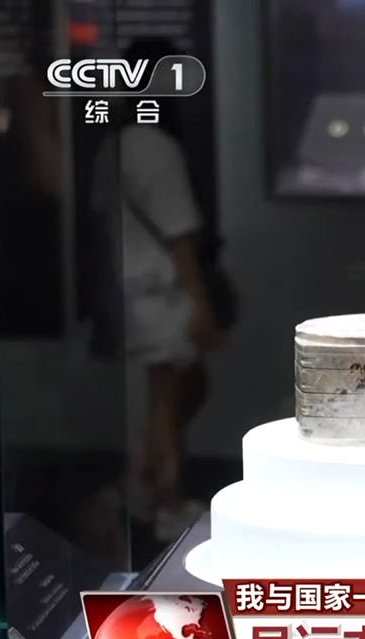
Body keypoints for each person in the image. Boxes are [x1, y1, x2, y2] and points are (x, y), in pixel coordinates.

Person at [91, 38, 231, 541]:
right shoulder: (156, 147)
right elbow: (180, 238)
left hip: (130, 295)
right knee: (166, 403)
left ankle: (142, 489)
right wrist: (201, 307)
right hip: (161, 297)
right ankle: (163, 502)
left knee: (167, 398)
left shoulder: (114, 145)